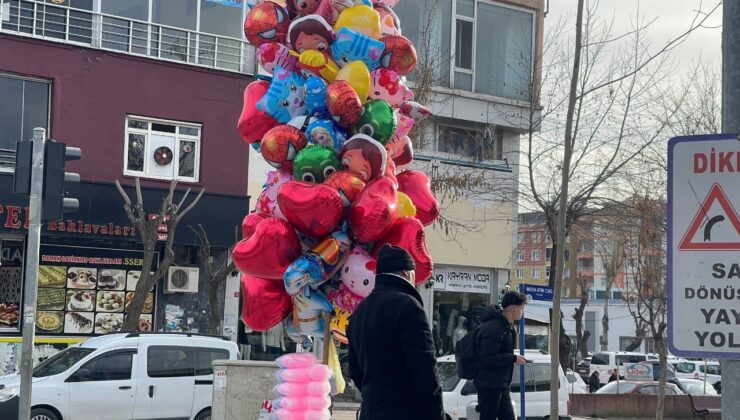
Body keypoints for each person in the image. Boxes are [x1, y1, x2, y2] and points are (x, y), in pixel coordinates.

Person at [347, 244, 444, 420]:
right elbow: (425, 370)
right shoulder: (409, 307)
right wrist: (437, 414)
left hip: (371, 411)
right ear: (407, 273)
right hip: (406, 412)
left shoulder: (359, 312)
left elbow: (354, 370)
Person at [474, 291, 528, 420]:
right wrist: (514, 358)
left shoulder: (506, 326)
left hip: (501, 383)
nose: (522, 312)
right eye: (522, 308)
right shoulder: (495, 328)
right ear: (514, 309)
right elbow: (487, 358)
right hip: (489, 384)